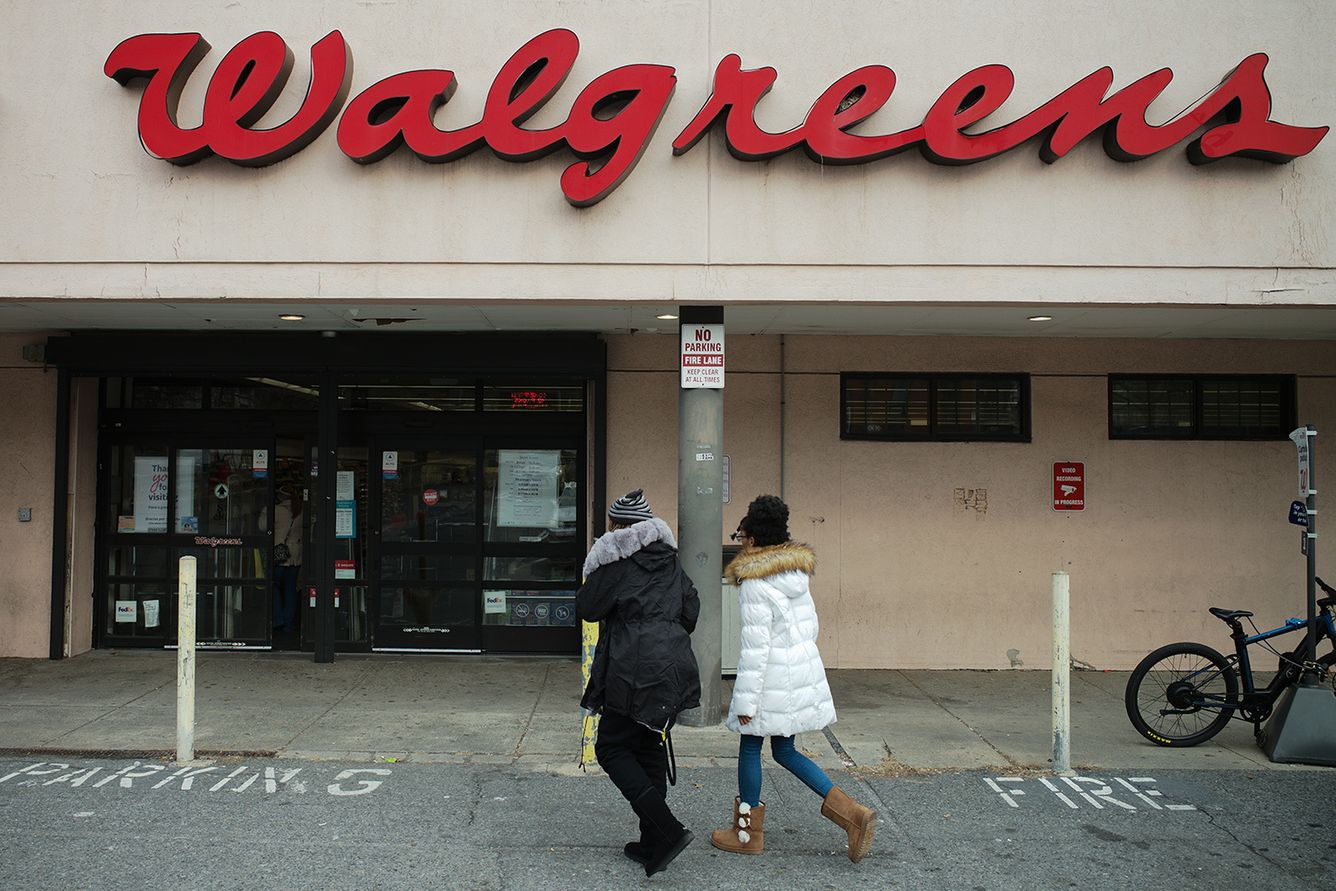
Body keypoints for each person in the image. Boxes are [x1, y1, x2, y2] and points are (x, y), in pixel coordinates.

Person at [711, 494, 877, 862]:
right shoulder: (795, 574)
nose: (739, 541)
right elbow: (811, 627)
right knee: (785, 749)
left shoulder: (755, 582)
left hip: (769, 679)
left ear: (752, 538)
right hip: (797, 674)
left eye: (741, 534)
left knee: (751, 745)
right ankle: (853, 815)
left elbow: (755, 649)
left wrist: (745, 702)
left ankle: (746, 834)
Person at [577, 489, 701, 877]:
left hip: (632, 668)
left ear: (616, 527)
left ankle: (667, 830)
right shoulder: (670, 561)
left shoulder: (616, 562)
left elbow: (587, 608)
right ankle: (652, 844)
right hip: (672, 665)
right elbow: (691, 609)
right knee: (647, 748)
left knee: (611, 748)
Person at [272, 485, 303, 635]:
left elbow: (261, 526)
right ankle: (288, 624)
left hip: (279, 553)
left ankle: (278, 619)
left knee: (274, 585)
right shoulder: (301, 510)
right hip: (296, 555)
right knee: (291, 590)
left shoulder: (275, 510)